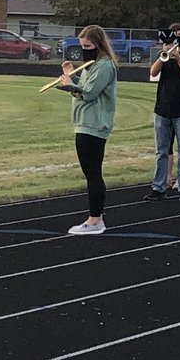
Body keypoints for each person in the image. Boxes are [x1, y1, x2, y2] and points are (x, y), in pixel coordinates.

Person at [54, 25, 118, 235]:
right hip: (85, 123)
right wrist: (68, 76)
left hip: (94, 124)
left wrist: (70, 84)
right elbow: (82, 90)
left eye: (88, 46)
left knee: (92, 173)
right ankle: (94, 218)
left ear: (98, 45)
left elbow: (88, 94)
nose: (84, 50)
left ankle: (95, 220)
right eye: (82, 46)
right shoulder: (92, 66)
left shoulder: (104, 66)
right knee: (90, 172)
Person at [145, 23, 180, 201]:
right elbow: (153, 72)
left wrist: (178, 58)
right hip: (162, 108)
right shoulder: (164, 56)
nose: (177, 37)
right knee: (161, 151)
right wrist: (164, 56)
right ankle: (158, 186)